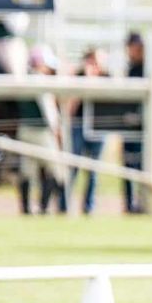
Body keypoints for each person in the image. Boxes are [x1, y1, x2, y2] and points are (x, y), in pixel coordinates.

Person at [17, 44, 67, 214]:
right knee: (57, 170)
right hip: (41, 132)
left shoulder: (23, 78)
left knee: (27, 171)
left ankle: (26, 209)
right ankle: (44, 207)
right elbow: (48, 109)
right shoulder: (40, 80)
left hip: (24, 130)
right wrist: (57, 129)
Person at [68, 47, 108, 215]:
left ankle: (88, 207)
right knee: (72, 167)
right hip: (78, 126)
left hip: (98, 128)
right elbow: (70, 105)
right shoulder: (78, 76)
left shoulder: (107, 78)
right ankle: (65, 205)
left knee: (92, 171)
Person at [122, 32, 145, 214]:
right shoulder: (131, 68)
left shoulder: (145, 69)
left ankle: (141, 202)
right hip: (129, 127)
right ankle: (129, 205)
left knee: (142, 166)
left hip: (142, 129)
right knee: (128, 166)